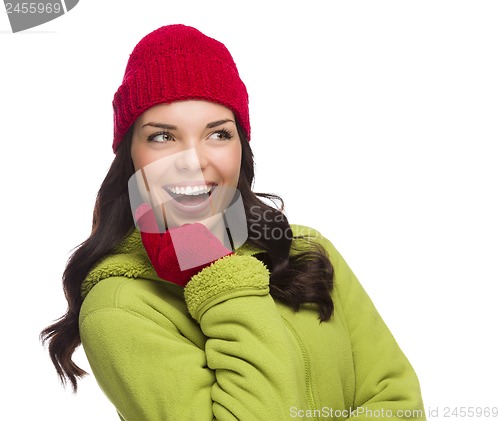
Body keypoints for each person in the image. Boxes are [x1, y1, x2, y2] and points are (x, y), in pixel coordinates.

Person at [41, 24, 426, 420]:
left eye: (218, 134)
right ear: (130, 155)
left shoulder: (305, 249)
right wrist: (215, 275)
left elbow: (399, 403)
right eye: (162, 137)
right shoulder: (120, 307)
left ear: (241, 147)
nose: (193, 160)